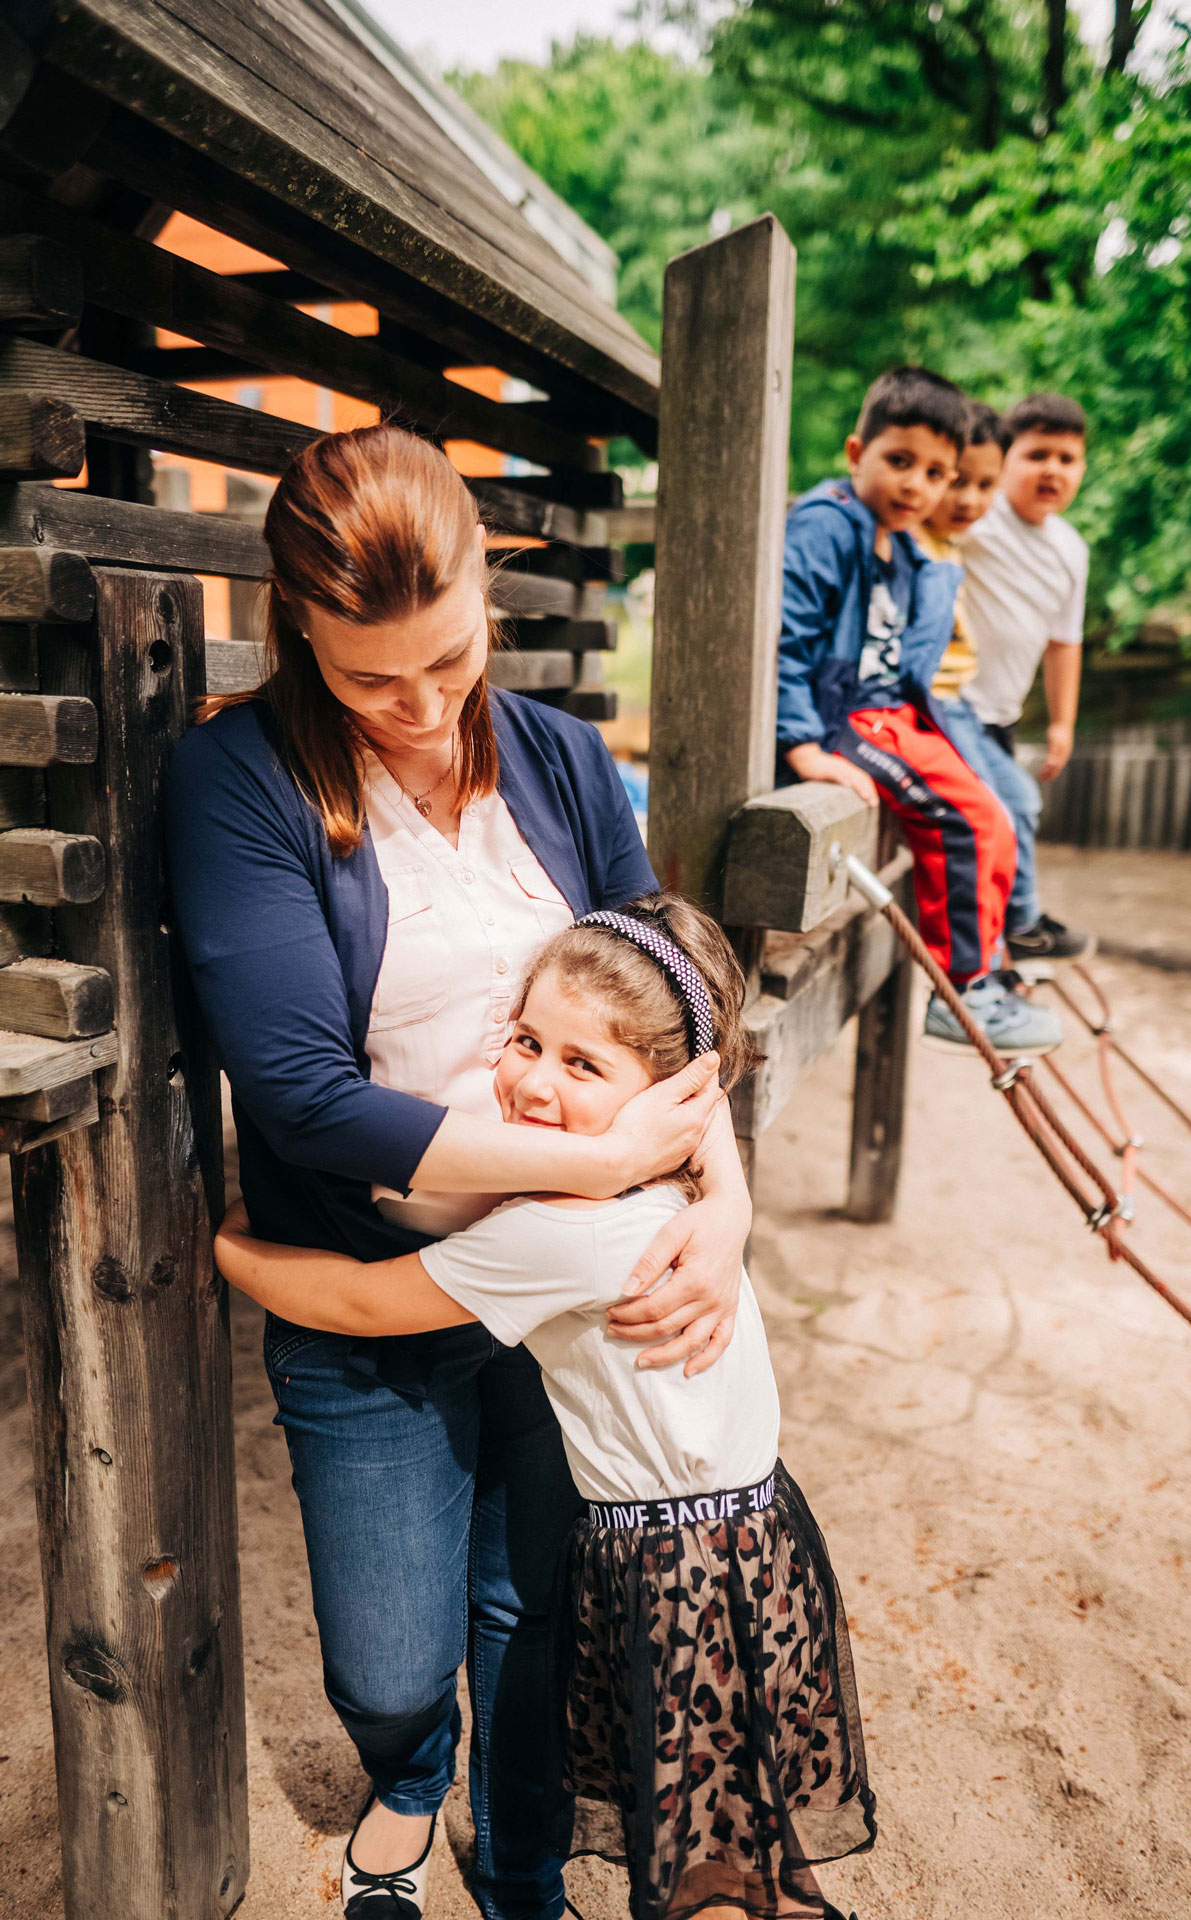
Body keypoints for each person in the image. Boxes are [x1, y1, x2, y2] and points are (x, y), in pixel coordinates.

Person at [164, 425, 752, 1920]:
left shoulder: (560, 756)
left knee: (534, 1600)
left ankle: (521, 1848)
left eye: (450, 655)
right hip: (374, 1274)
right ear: (298, 621)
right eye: (374, 679)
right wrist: (606, 1150)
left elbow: (670, 999)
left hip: (568, 1281)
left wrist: (723, 1203)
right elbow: (302, 1097)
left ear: (489, 583)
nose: (424, 708)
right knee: (385, 1656)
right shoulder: (237, 780)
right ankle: (410, 1769)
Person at [214, 893, 878, 1920]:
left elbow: (355, 1302)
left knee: (700, 1867)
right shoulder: (682, 1187)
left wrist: (230, 1242)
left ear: (671, 1094)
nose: (531, 1082)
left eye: (582, 1065)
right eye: (525, 1041)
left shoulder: (559, 1232)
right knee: (746, 1827)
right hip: (760, 1542)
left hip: (666, 1574)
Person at [776, 365, 1060, 1055]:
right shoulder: (827, 525)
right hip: (846, 718)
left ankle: (988, 967)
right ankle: (962, 991)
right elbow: (786, 636)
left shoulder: (905, 548)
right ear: (856, 453)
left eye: (936, 474)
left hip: (893, 716)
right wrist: (803, 744)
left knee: (993, 816)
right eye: (899, 461)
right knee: (963, 820)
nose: (916, 486)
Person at [951, 392, 1094, 964]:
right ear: (1006, 460)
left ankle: (1010, 934)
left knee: (1014, 811)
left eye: (1066, 459)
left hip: (1002, 714)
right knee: (1009, 807)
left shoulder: (1070, 549)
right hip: (956, 703)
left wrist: (1062, 724)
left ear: (1082, 468)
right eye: (1037, 455)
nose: (1052, 470)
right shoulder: (978, 516)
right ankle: (1015, 929)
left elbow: (1064, 641)